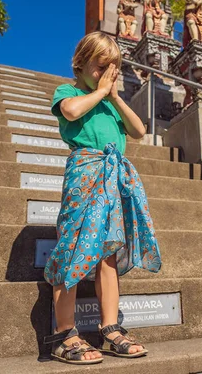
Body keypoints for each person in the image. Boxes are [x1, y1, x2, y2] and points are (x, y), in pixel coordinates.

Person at [43, 31, 162, 365]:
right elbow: (69, 111)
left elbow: (139, 131)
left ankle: (110, 329)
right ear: (80, 65)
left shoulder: (110, 103)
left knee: (107, 253)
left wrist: (114, 96)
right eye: (100, 67)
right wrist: (98, 92)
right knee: (75, 247)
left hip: (115, 180)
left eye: (113, 69)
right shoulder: (70, 91)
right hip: (85, 173)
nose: (107, 75)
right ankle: (64, 334)